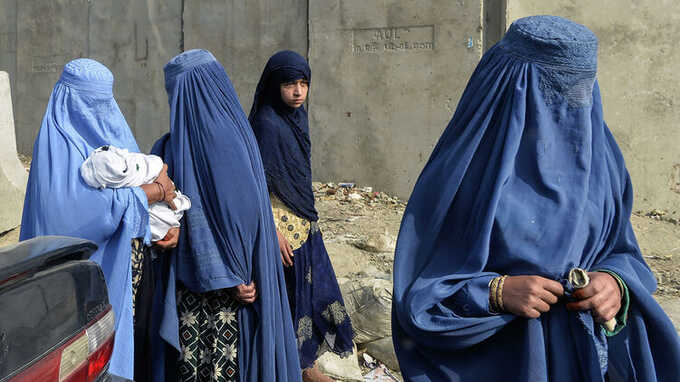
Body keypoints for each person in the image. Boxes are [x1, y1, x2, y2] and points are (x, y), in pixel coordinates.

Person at [391, 15, 680, 381]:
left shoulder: (602, 162)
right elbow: (420, 292)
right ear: (515, 86)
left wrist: (613, 283)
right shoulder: (468, 172)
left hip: (585, 360)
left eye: (583, 87)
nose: (573, 102)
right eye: (557, 88)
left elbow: (622, 249)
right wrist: (495, 291)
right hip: (502, 360)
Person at [20, 58, 179, 381]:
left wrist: (162, 223)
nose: (99, 110)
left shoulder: (111, 132)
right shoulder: (58, 146)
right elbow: (78, 214)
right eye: (91, 102)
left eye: (104, 100)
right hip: (74, 287)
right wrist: (153, 191)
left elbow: (137, 177)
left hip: (124, 278)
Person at [150, 49, 302, 382]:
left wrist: (231, 274)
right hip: (226, 278)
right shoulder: (227, 136)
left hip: (223, 293)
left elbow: (235, 213)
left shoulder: (214, 143)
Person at [249, 50, 354, 382]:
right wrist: (268, 231)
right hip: (280, 232)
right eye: (289, 84)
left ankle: (303, 367)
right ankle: (292, 370)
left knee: (312, 299)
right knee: (287, 303)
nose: (297, 91)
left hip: (304, 223)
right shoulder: (266, 123)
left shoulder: (297, 117)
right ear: (273, 85)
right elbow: (255, 184)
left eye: (303, 83)